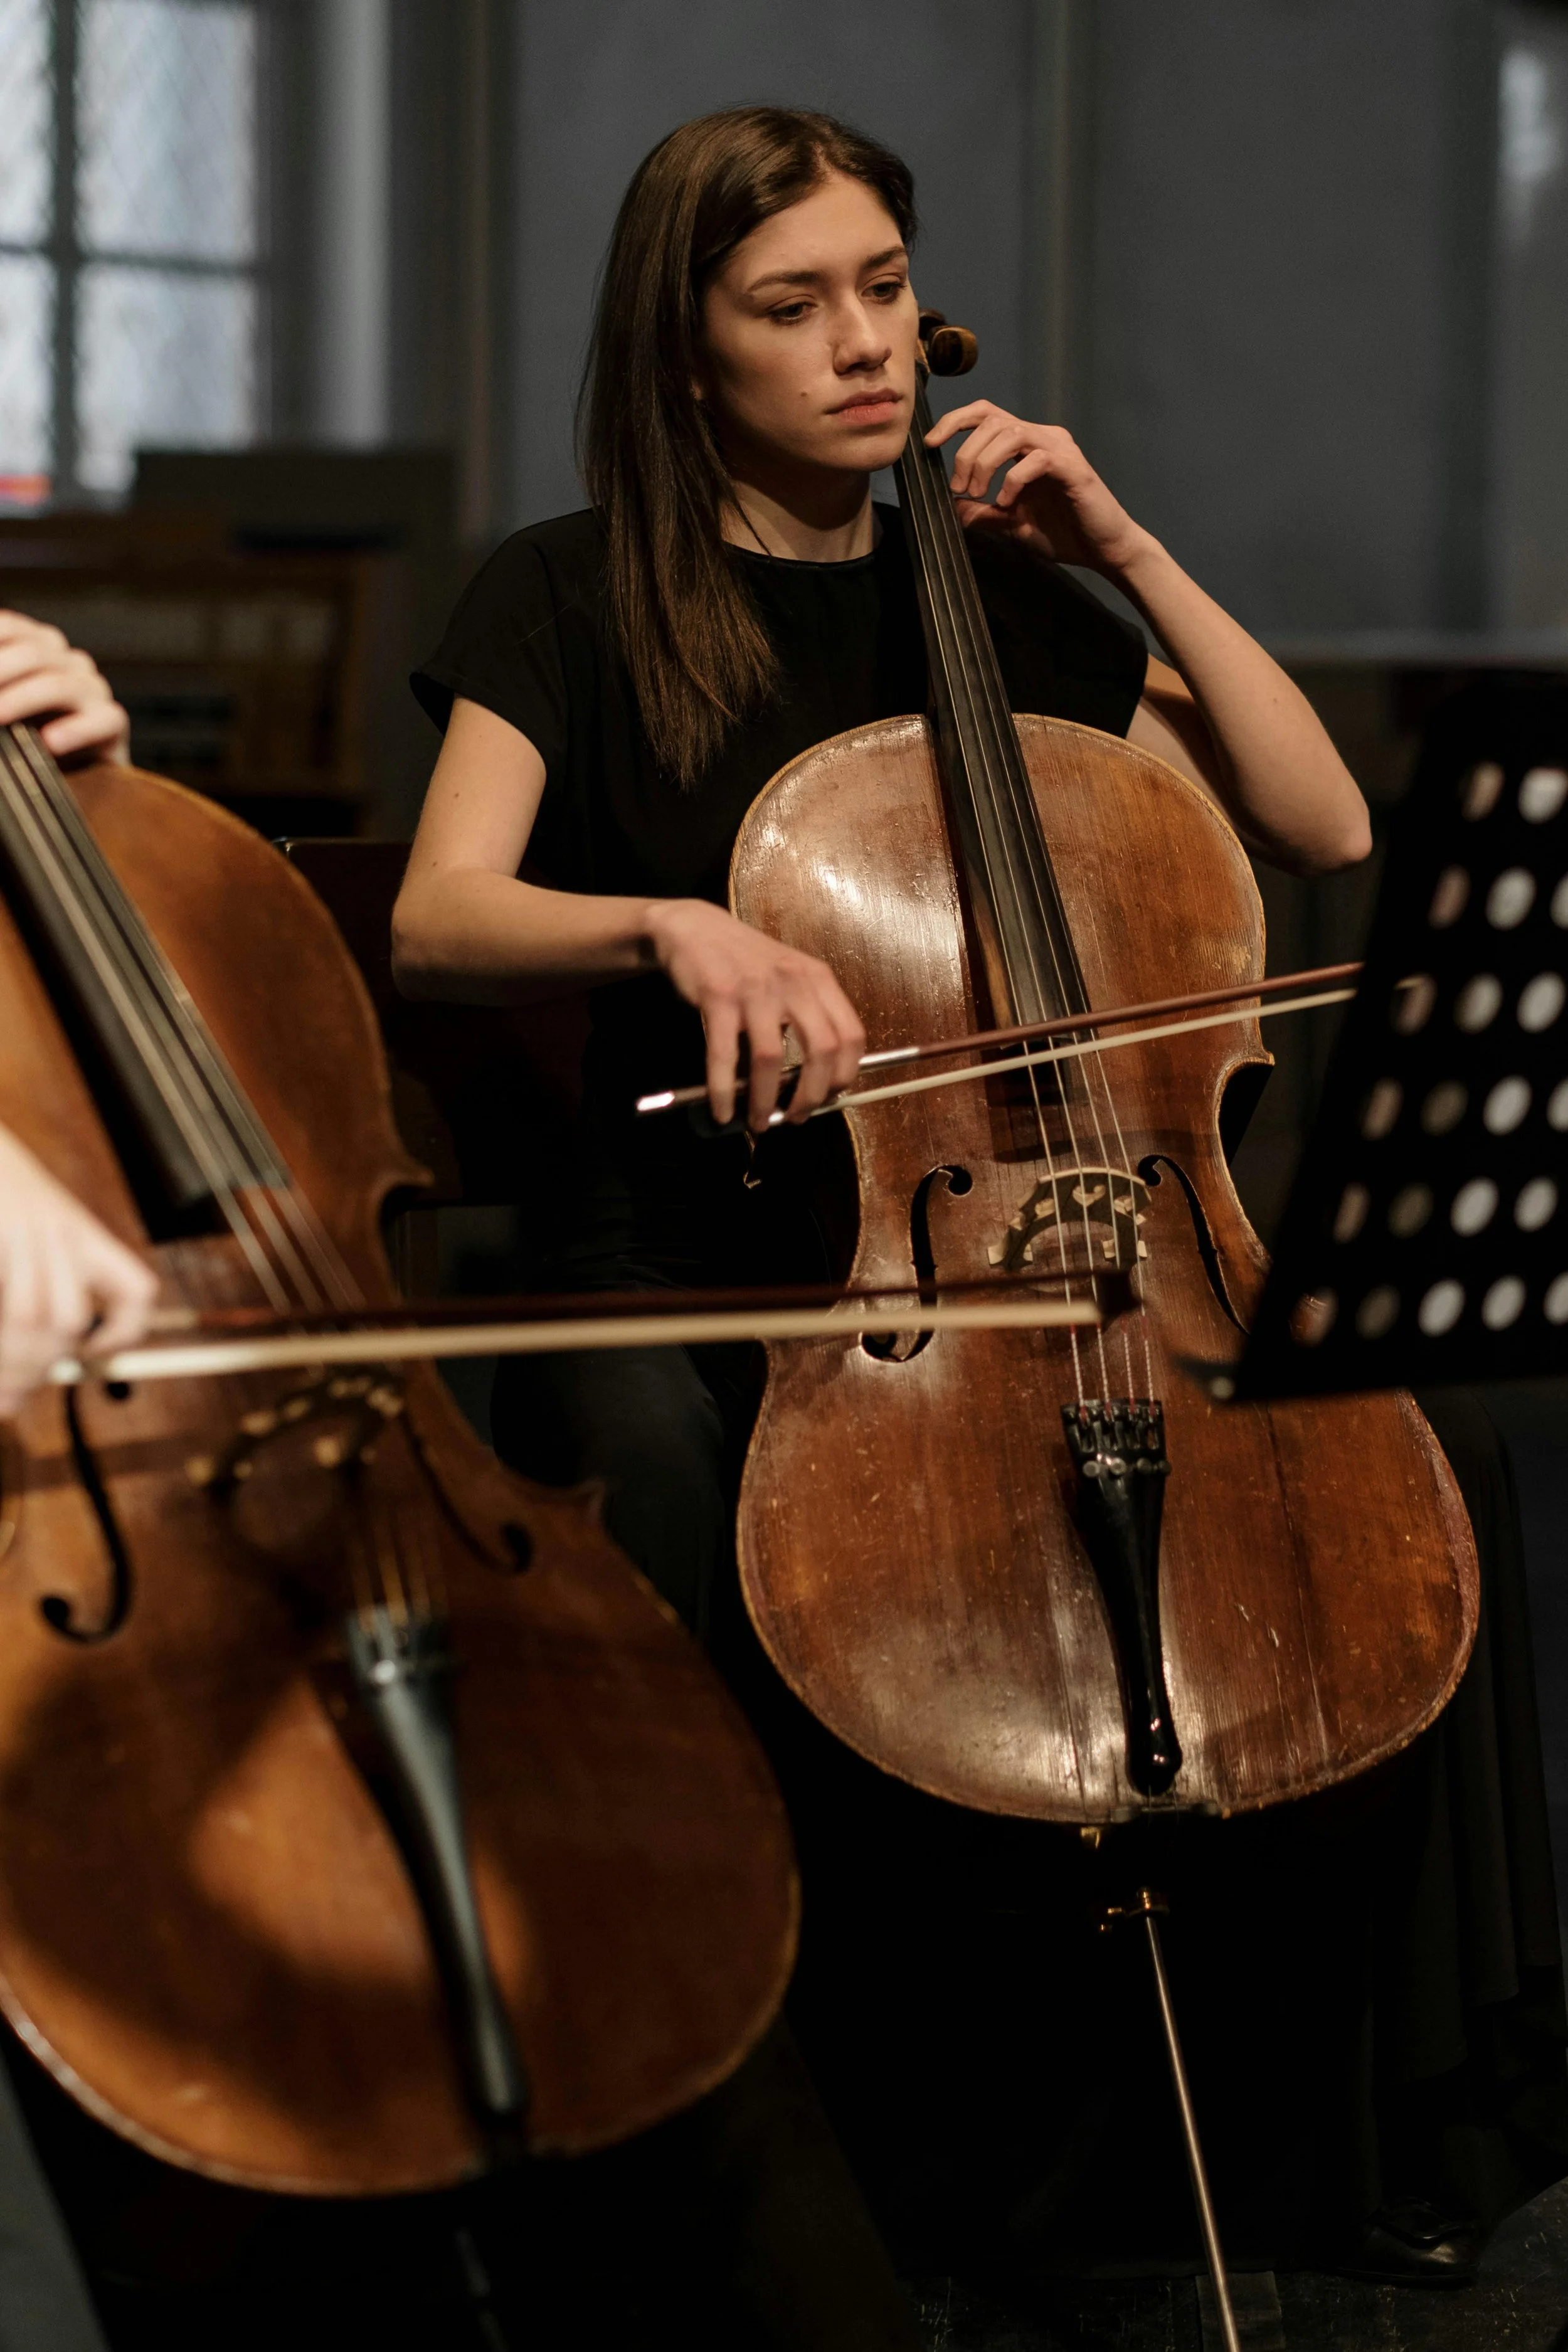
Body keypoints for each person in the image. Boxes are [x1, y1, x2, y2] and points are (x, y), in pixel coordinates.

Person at [394, 99, 1568, 2311]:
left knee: (1434, 1460)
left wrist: (1122, 542)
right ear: (682, 355)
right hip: (714, 1255)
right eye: (788, 307)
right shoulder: (557, 592)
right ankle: (777, 2138)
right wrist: (669, 927)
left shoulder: (1007, 604)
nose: (860, 346)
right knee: (654, 1472)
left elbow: (1308, 824)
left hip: (1025, 1256)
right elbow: (446, 919)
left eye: (876, 290)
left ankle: (1342, 2121)